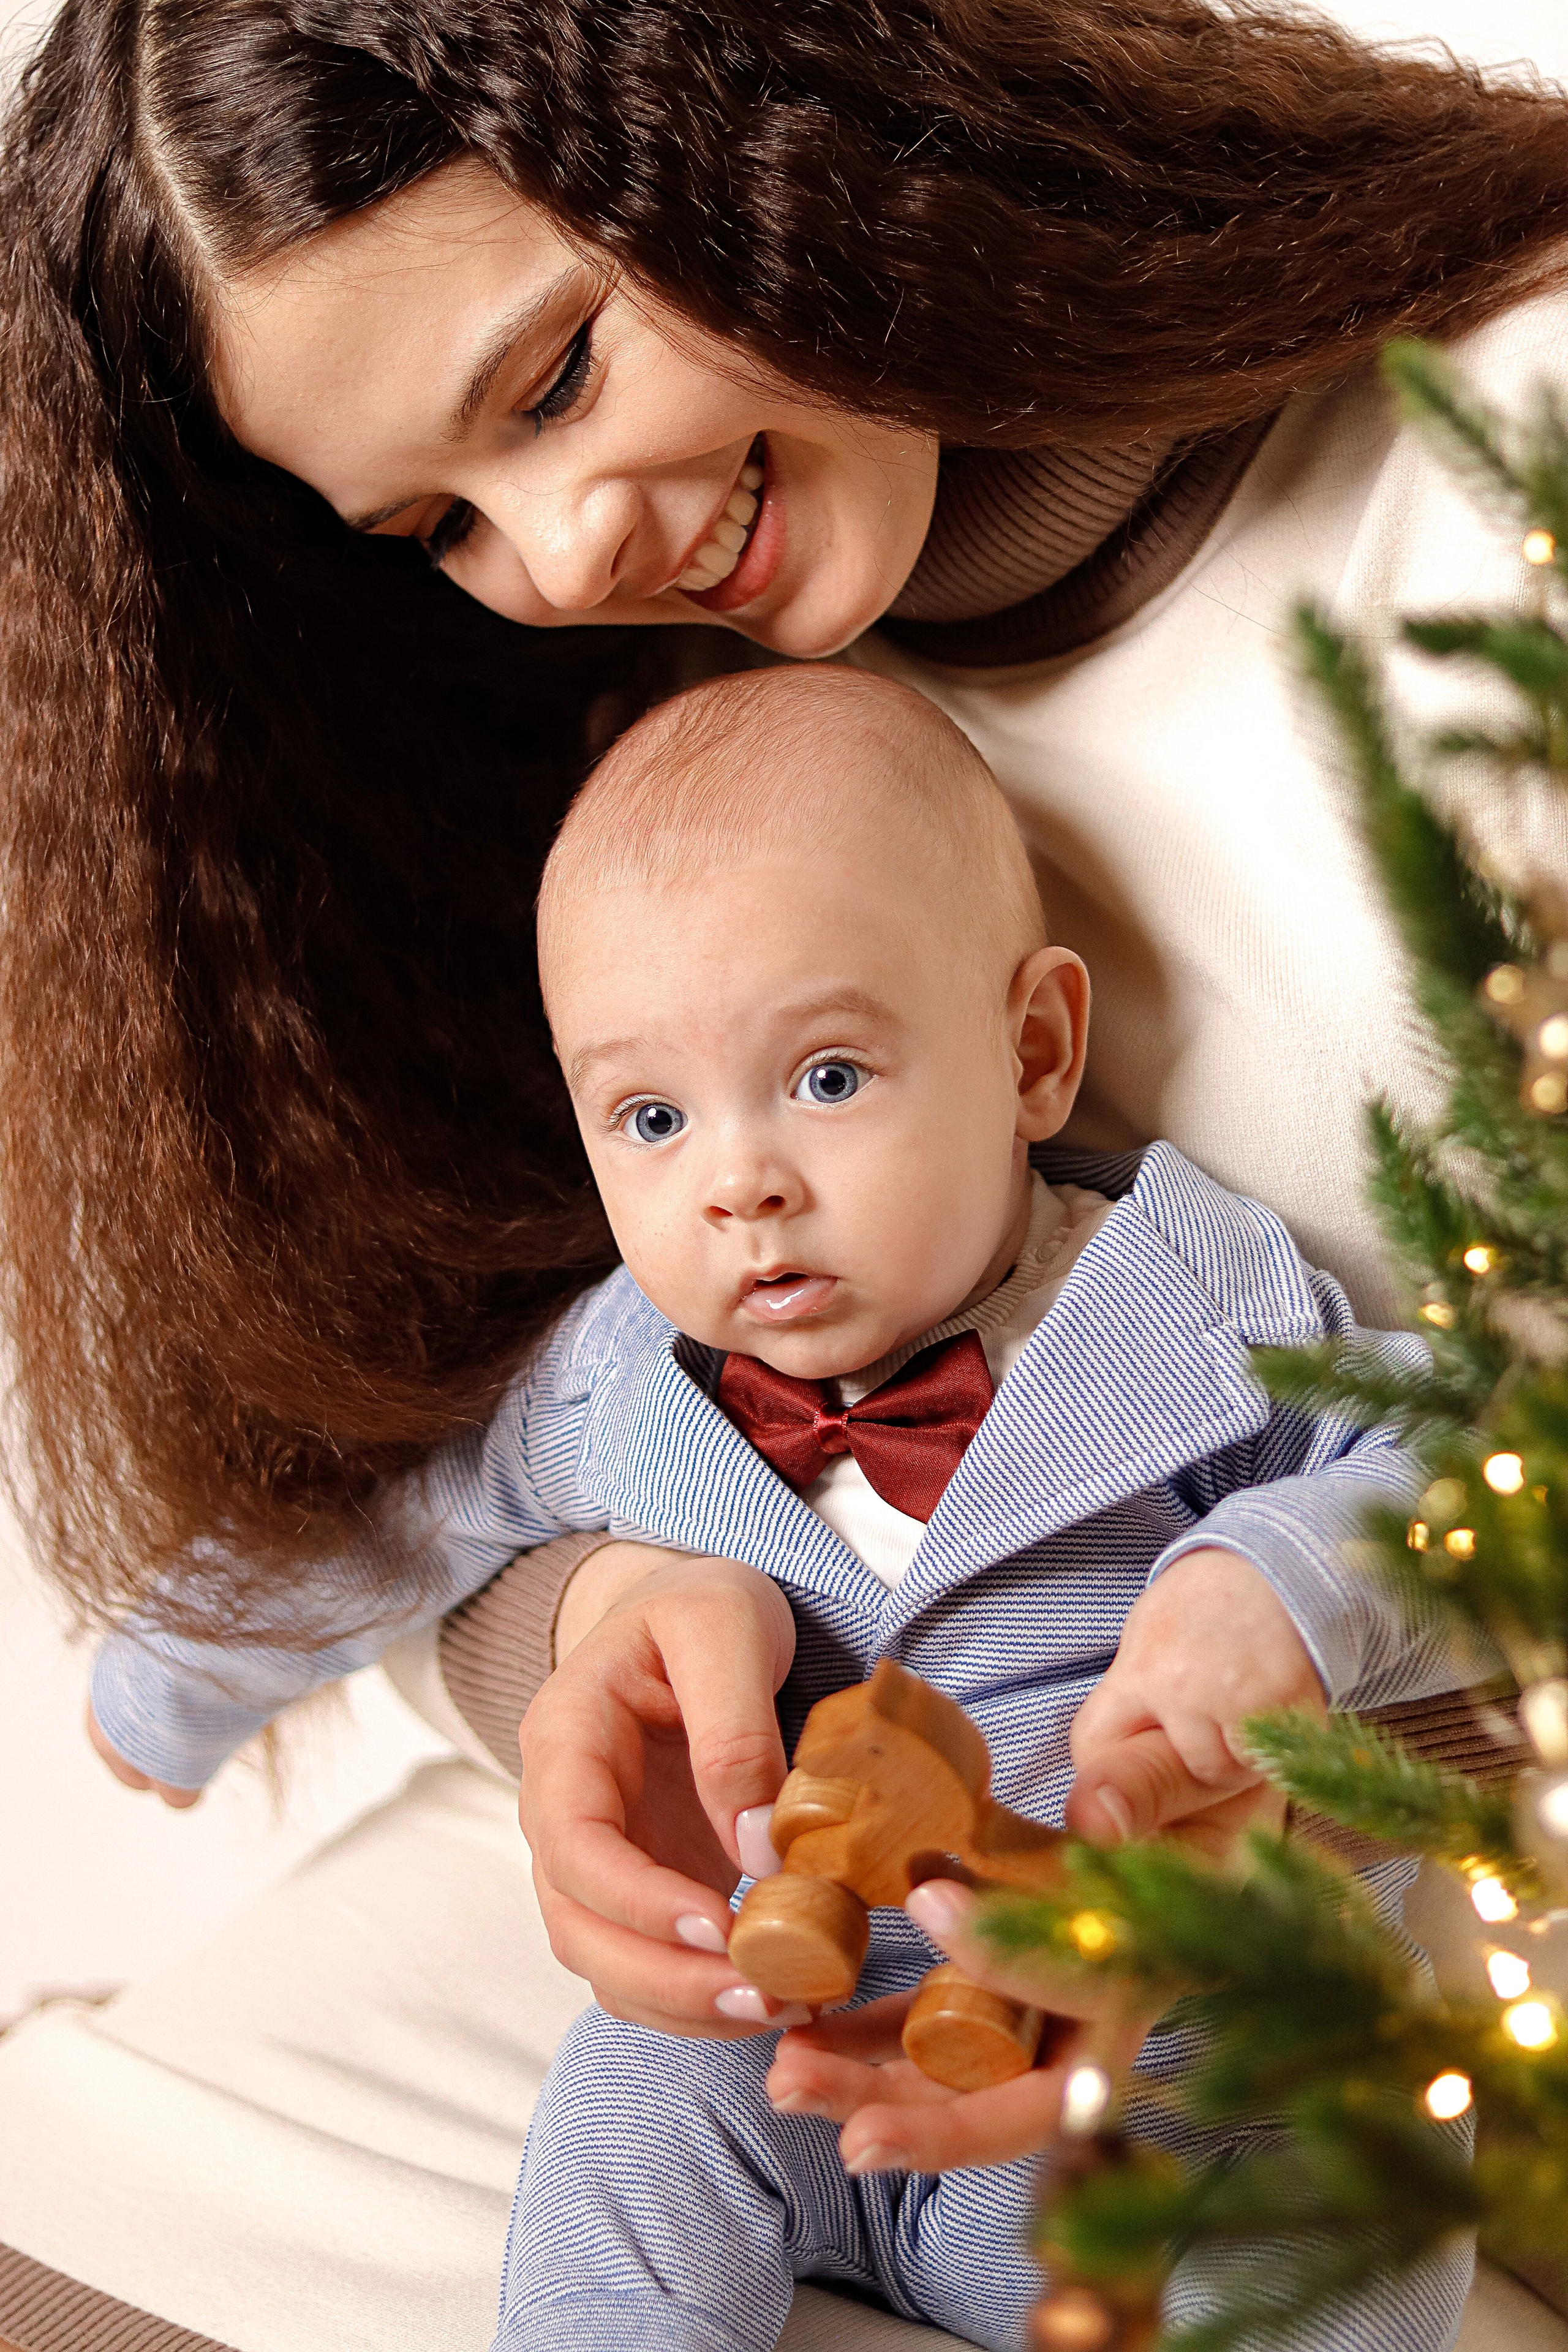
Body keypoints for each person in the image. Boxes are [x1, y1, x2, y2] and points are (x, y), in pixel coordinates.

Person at [1, 2, 1566, 2345]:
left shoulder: (1501, 480)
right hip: (794, 1948)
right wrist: (596, 1635)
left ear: (760, 112)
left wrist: (1278, 1755)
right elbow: (508, 1450)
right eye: (436, 522)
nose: (555, 557)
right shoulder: (678, 718)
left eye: (547, 386)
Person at [89, 665, 1472, 2351]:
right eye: (654, 1117)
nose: (737, 1183)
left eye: (825, 1076)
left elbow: (1470, 1463)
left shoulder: (1196, 1310)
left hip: (1179, 2082)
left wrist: (1273, 1581)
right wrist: (174, 1675)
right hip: (786, 2039)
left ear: (1034, 1053)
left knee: (1349, 2192)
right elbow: (399, 1517)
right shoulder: (617, 1382)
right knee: (633, 2110)